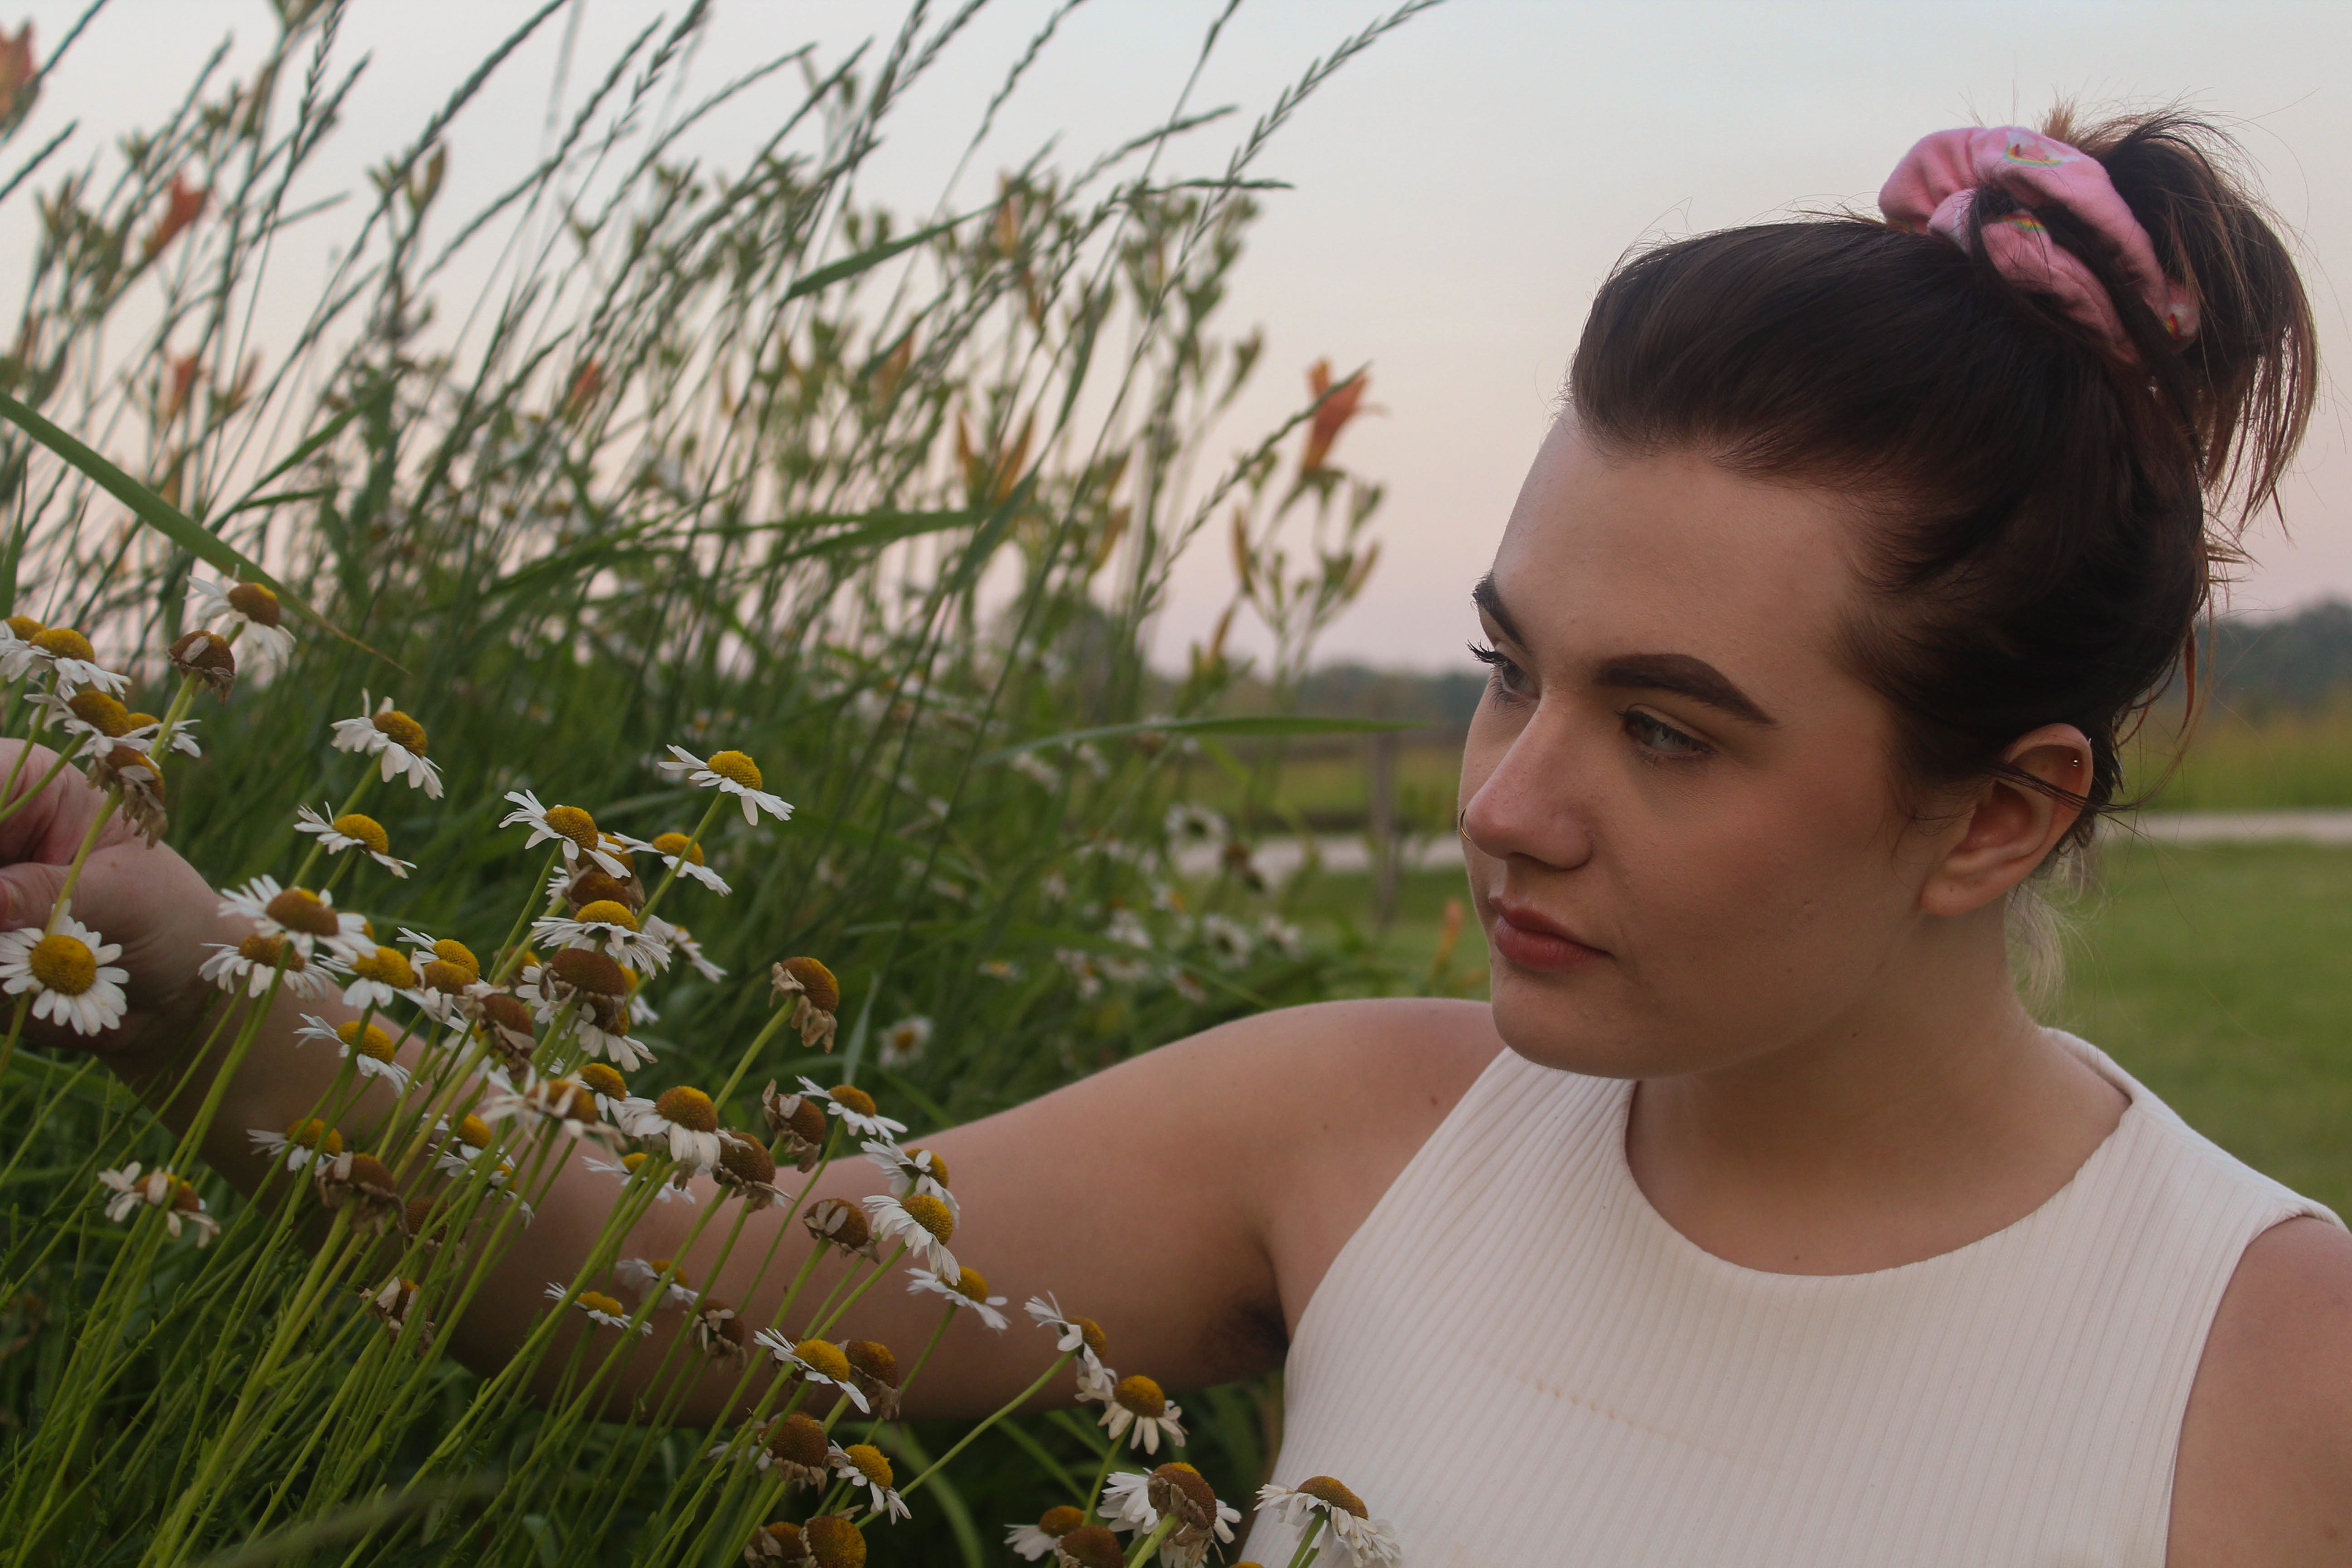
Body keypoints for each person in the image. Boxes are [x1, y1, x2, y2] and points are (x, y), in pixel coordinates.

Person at [6, 107, 2350, 1565]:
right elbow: (665, 1290)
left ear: (1999, 810)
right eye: (1509, 668)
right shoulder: (1368, 1135)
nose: (1508, 800)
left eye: (1671, 732)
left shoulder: (2261, 1378)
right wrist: (185, 974)